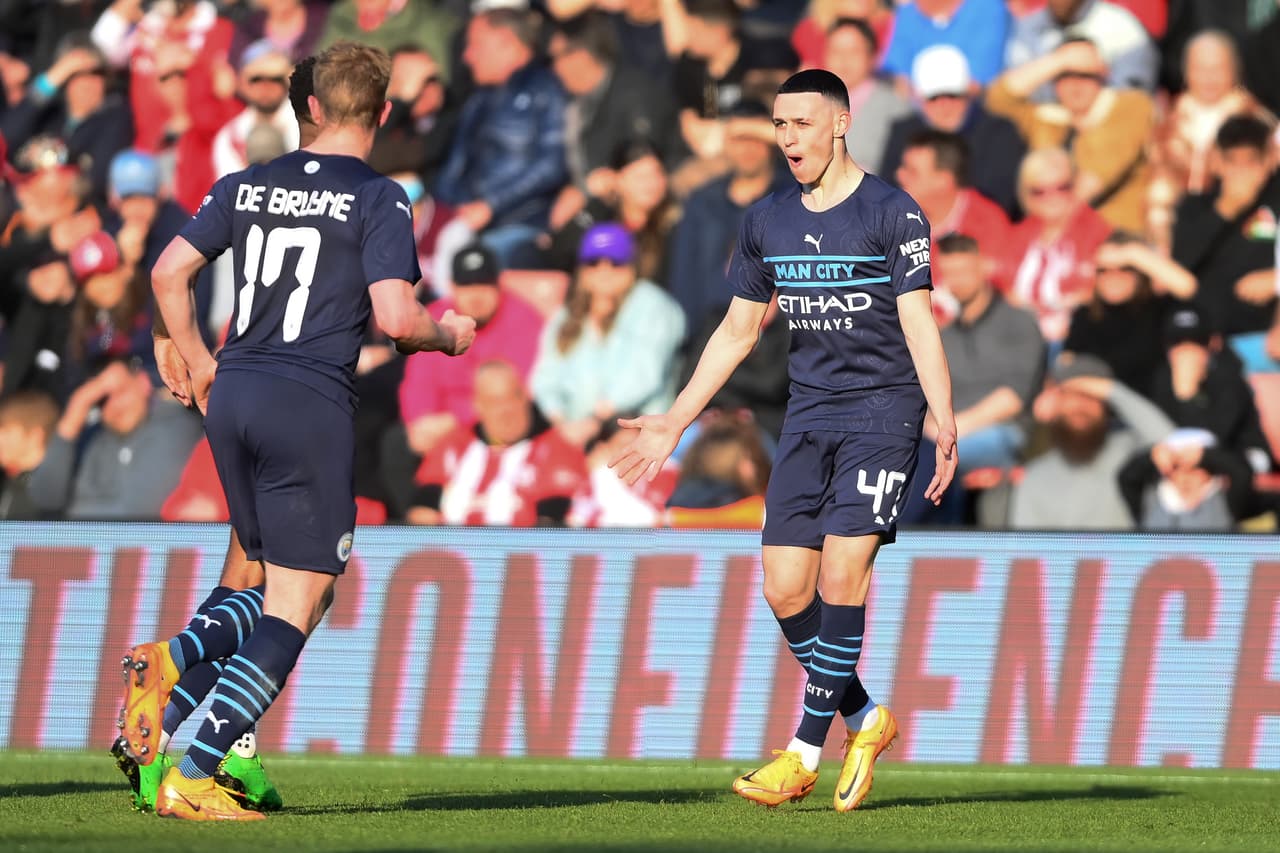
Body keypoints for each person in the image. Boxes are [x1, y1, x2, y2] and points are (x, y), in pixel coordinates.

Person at [115, 41, 476, 822]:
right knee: (299, 601)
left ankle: (168, 718)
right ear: (380, 113)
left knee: (257, 577)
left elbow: (167, 273)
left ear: (307, 107)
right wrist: (449, 333)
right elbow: (393, 317)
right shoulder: (381, 196)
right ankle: (194, 758)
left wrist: (195, 356)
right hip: (308, 401)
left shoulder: (245, 183)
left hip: (235, 392)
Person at [609, 69, 956, 812]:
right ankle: (866, 717)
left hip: (883, 415)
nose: (789, 139)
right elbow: (738, 331)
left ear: (840, 123)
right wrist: (674, 419)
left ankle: (802, 751)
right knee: (784, 586)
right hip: (807, 416)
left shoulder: (894, 213)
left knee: (841, 576)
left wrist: (942, 415)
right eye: (780, 125)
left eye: (802, 123)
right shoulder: (767, 221)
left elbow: (920, 320)